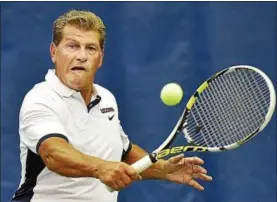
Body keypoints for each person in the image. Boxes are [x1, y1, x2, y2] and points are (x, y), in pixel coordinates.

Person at [12, 9, 212, 202]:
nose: (81, 56)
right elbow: (53, 153)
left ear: (100, 58)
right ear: (54, 52)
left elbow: (123, 152)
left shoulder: (106, 99)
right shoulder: (41, 98)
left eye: (90, 48)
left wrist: (163, 169)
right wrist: (101, 168)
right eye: (72, 46)